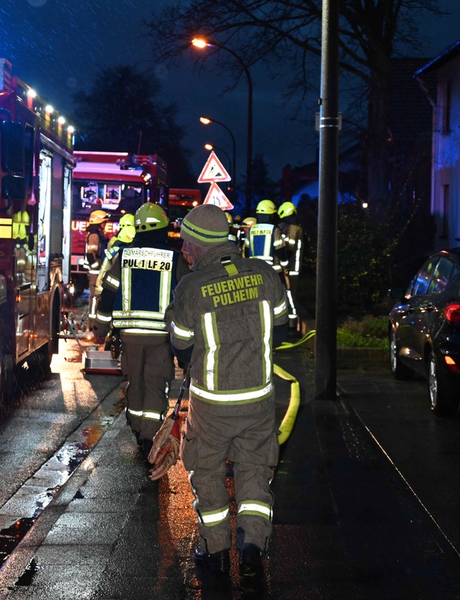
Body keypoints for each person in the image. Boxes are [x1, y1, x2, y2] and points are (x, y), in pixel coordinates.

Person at [165, 204, 288, 596]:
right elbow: (283, 326)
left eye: (186, 241)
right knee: (255, 474)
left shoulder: (191, 288)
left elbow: (181, 344)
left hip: (212, 404)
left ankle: (215, 552)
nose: (183, 247)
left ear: (200, 245)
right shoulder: (266, 275)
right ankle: (252, 551)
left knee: (208, 474)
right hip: (258, 401)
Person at [92, 203, 185, 457]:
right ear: (164, 228)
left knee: (135, 384)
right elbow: (188, 299)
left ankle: (136, 429)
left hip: (129, 336)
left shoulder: (122, 257)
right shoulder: (175, 259)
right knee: (156, 384)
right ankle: (149, 437)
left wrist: (100, 327)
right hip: (161, 338)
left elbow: (108, 294)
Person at [277, 201, 304, 334]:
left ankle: (292, 326)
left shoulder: (293, 228)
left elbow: (289, 248)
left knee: (290, 295)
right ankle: (291, 324)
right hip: (294, 267)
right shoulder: (294, 227)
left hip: (292, 268)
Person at [247, 200, 284, 275]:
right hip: (272, 271)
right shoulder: (274, 229)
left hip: (254, 270)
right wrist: (286, 267)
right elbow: (280, 251)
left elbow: (247, 250)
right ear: (271, 215)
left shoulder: (251, 229)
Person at [84, 209, 109, 305]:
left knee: (98, 295)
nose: (105, 225)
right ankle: (93, 318)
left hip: (97, 271)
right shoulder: (94, 236)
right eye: (104, 222)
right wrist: (97, 266)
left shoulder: (99, 235)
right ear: (99, 223)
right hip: (95, 272)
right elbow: (90, 254)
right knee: (95, 296)